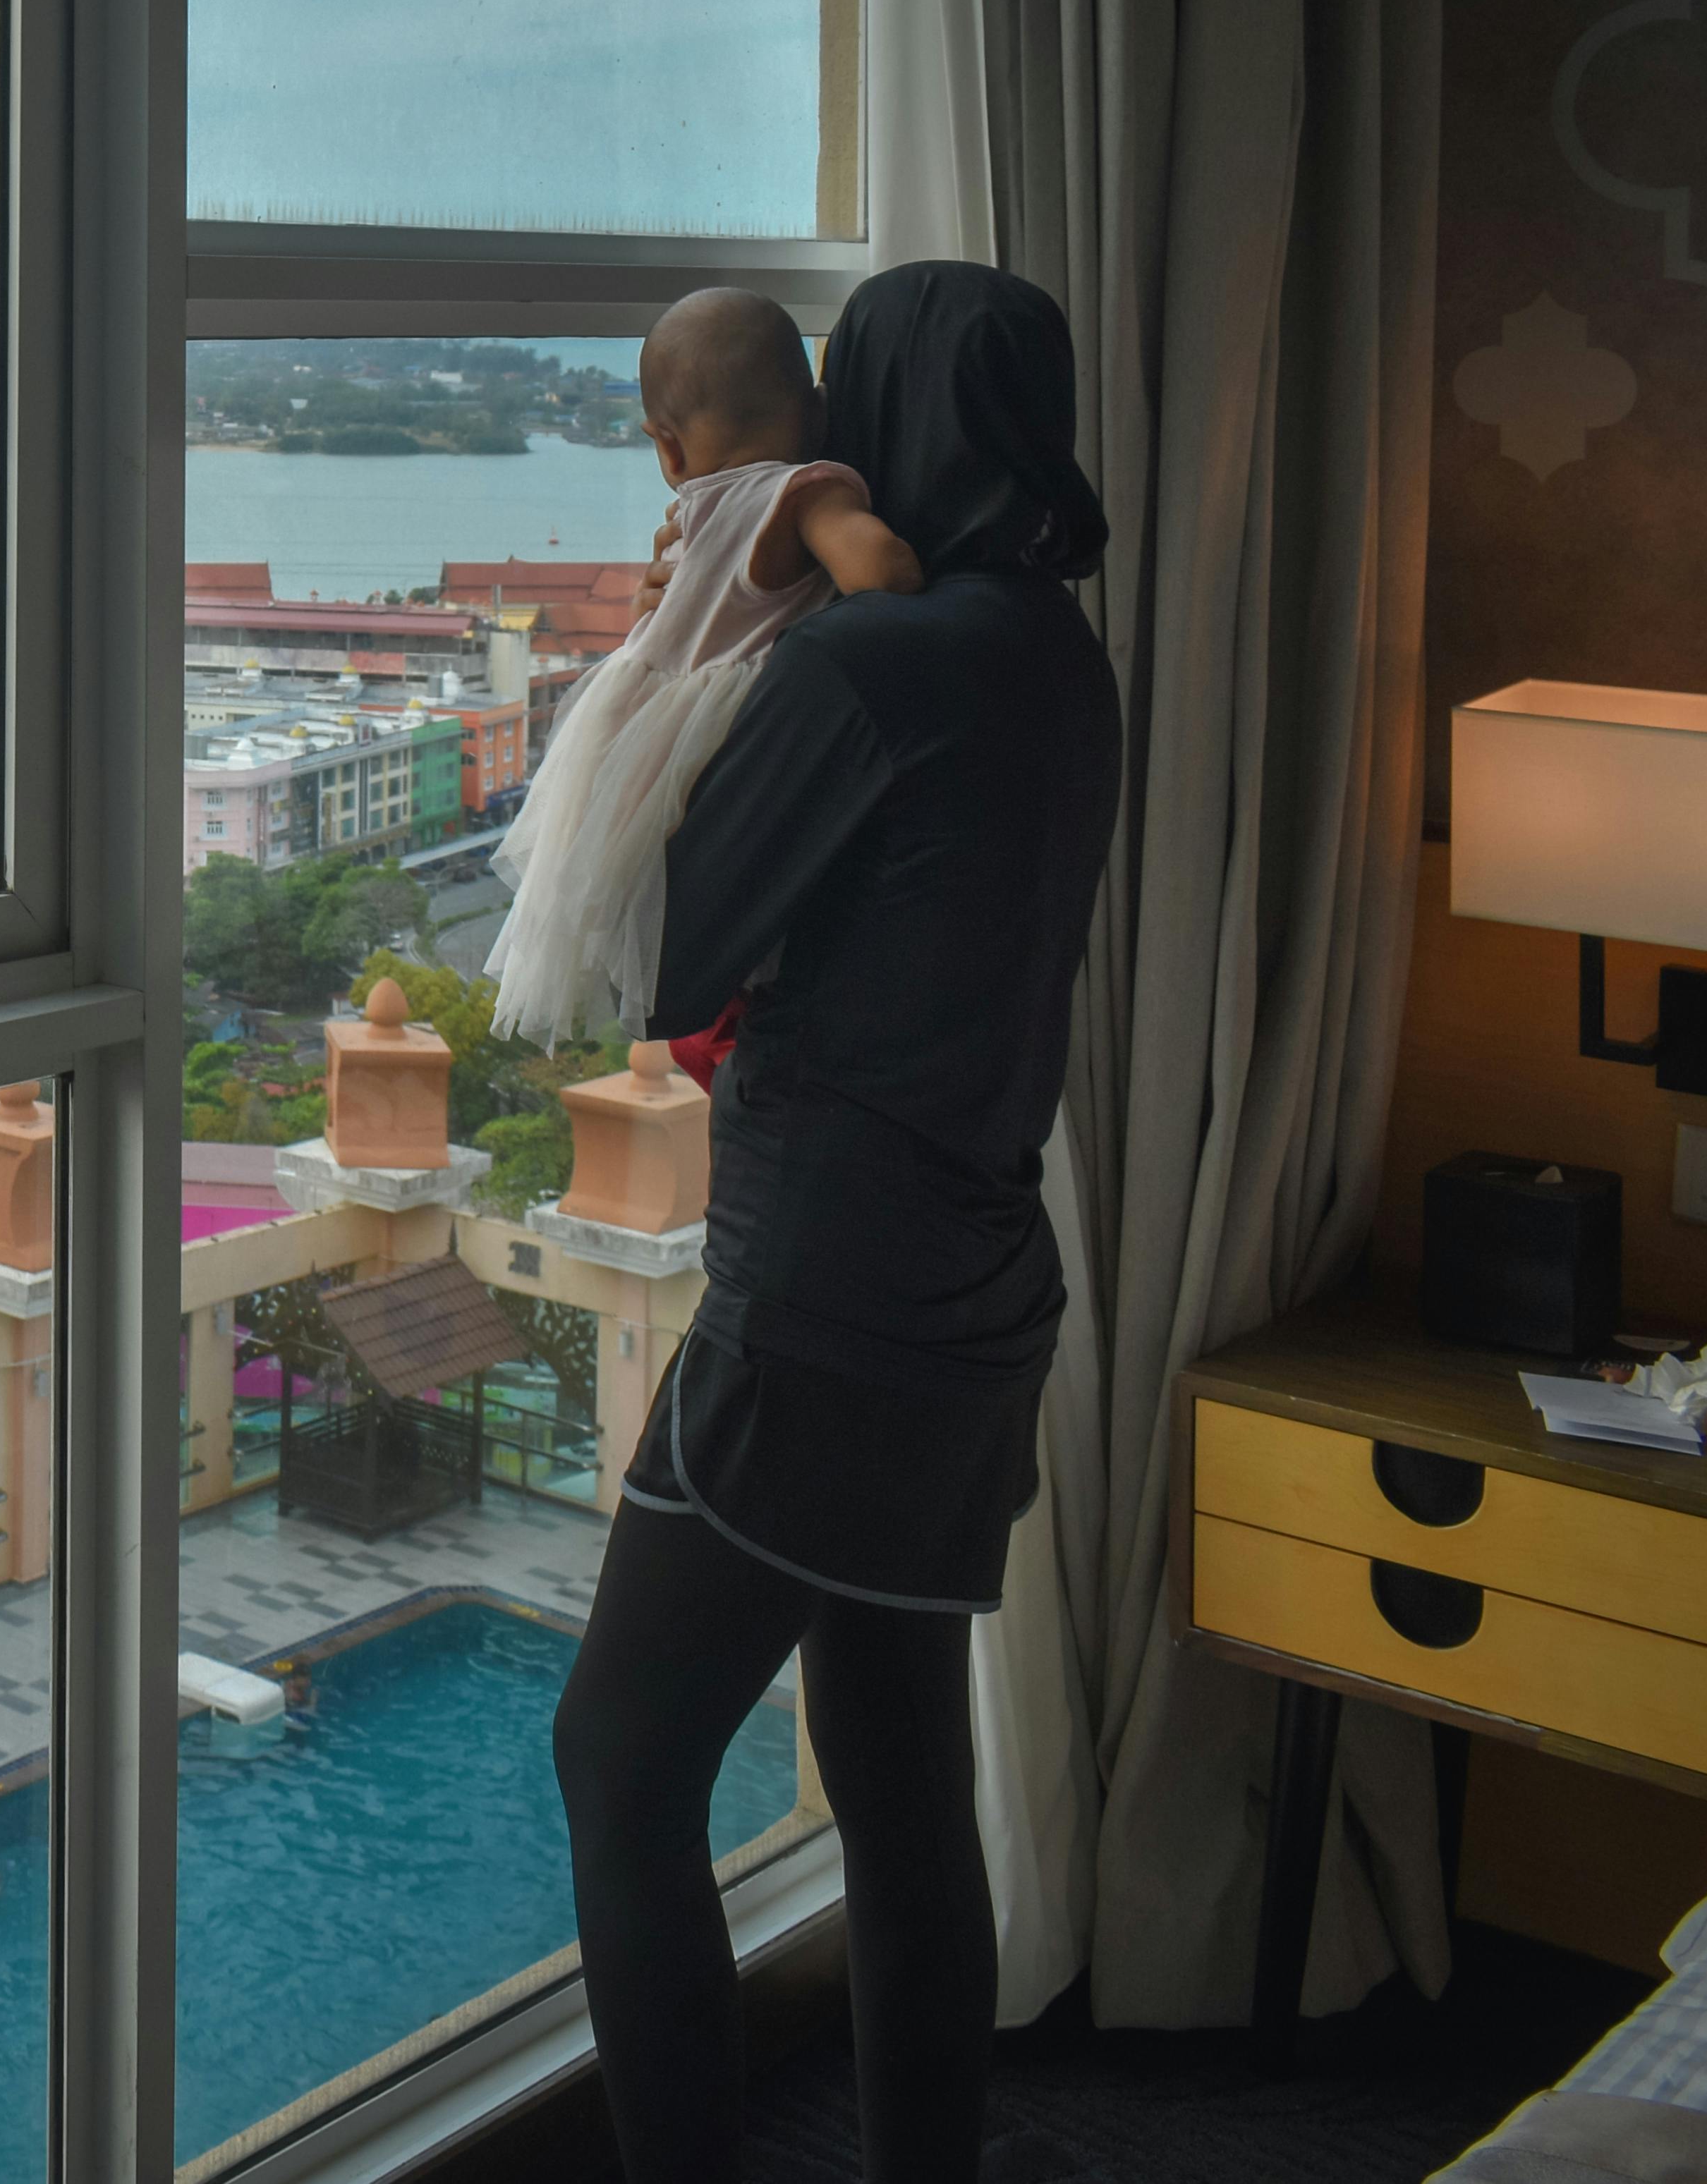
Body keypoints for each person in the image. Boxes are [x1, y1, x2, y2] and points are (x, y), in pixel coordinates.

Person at [549, 263, 1122, 2184]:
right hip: (977, 1288)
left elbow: (656, 951)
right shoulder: (1048, 645)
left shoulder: (873, 662)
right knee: (895, 1776)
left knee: (616, 1763)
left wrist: (675, 657)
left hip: (818, 1299)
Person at [482, 288, 926, 1049]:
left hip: (629, 745)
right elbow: (885, 574)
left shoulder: (689, 512)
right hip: (720, 739)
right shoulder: (800, 493)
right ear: (817, 412)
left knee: (661, 920)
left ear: (668, 448)